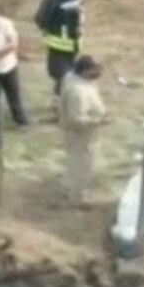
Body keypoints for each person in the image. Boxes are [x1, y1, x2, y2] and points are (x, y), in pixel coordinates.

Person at [34, 0, 90, 96]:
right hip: (66, 42)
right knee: (65, 76)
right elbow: (75, 23)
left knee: (62, 75)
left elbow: (44, 15)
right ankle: (61, 101)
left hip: (58, 40)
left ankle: (60, 97)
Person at [60, 55, 107, 204]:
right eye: (95, 70)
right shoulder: (78, 92)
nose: (99, 73)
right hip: (81, 136)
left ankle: (72, 189)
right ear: (85, 71)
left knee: (75, 164)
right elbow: (77, 119)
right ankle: (77, 199)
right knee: (82, 167)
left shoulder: (72, 77)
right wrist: (99, 121)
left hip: (80, 135)